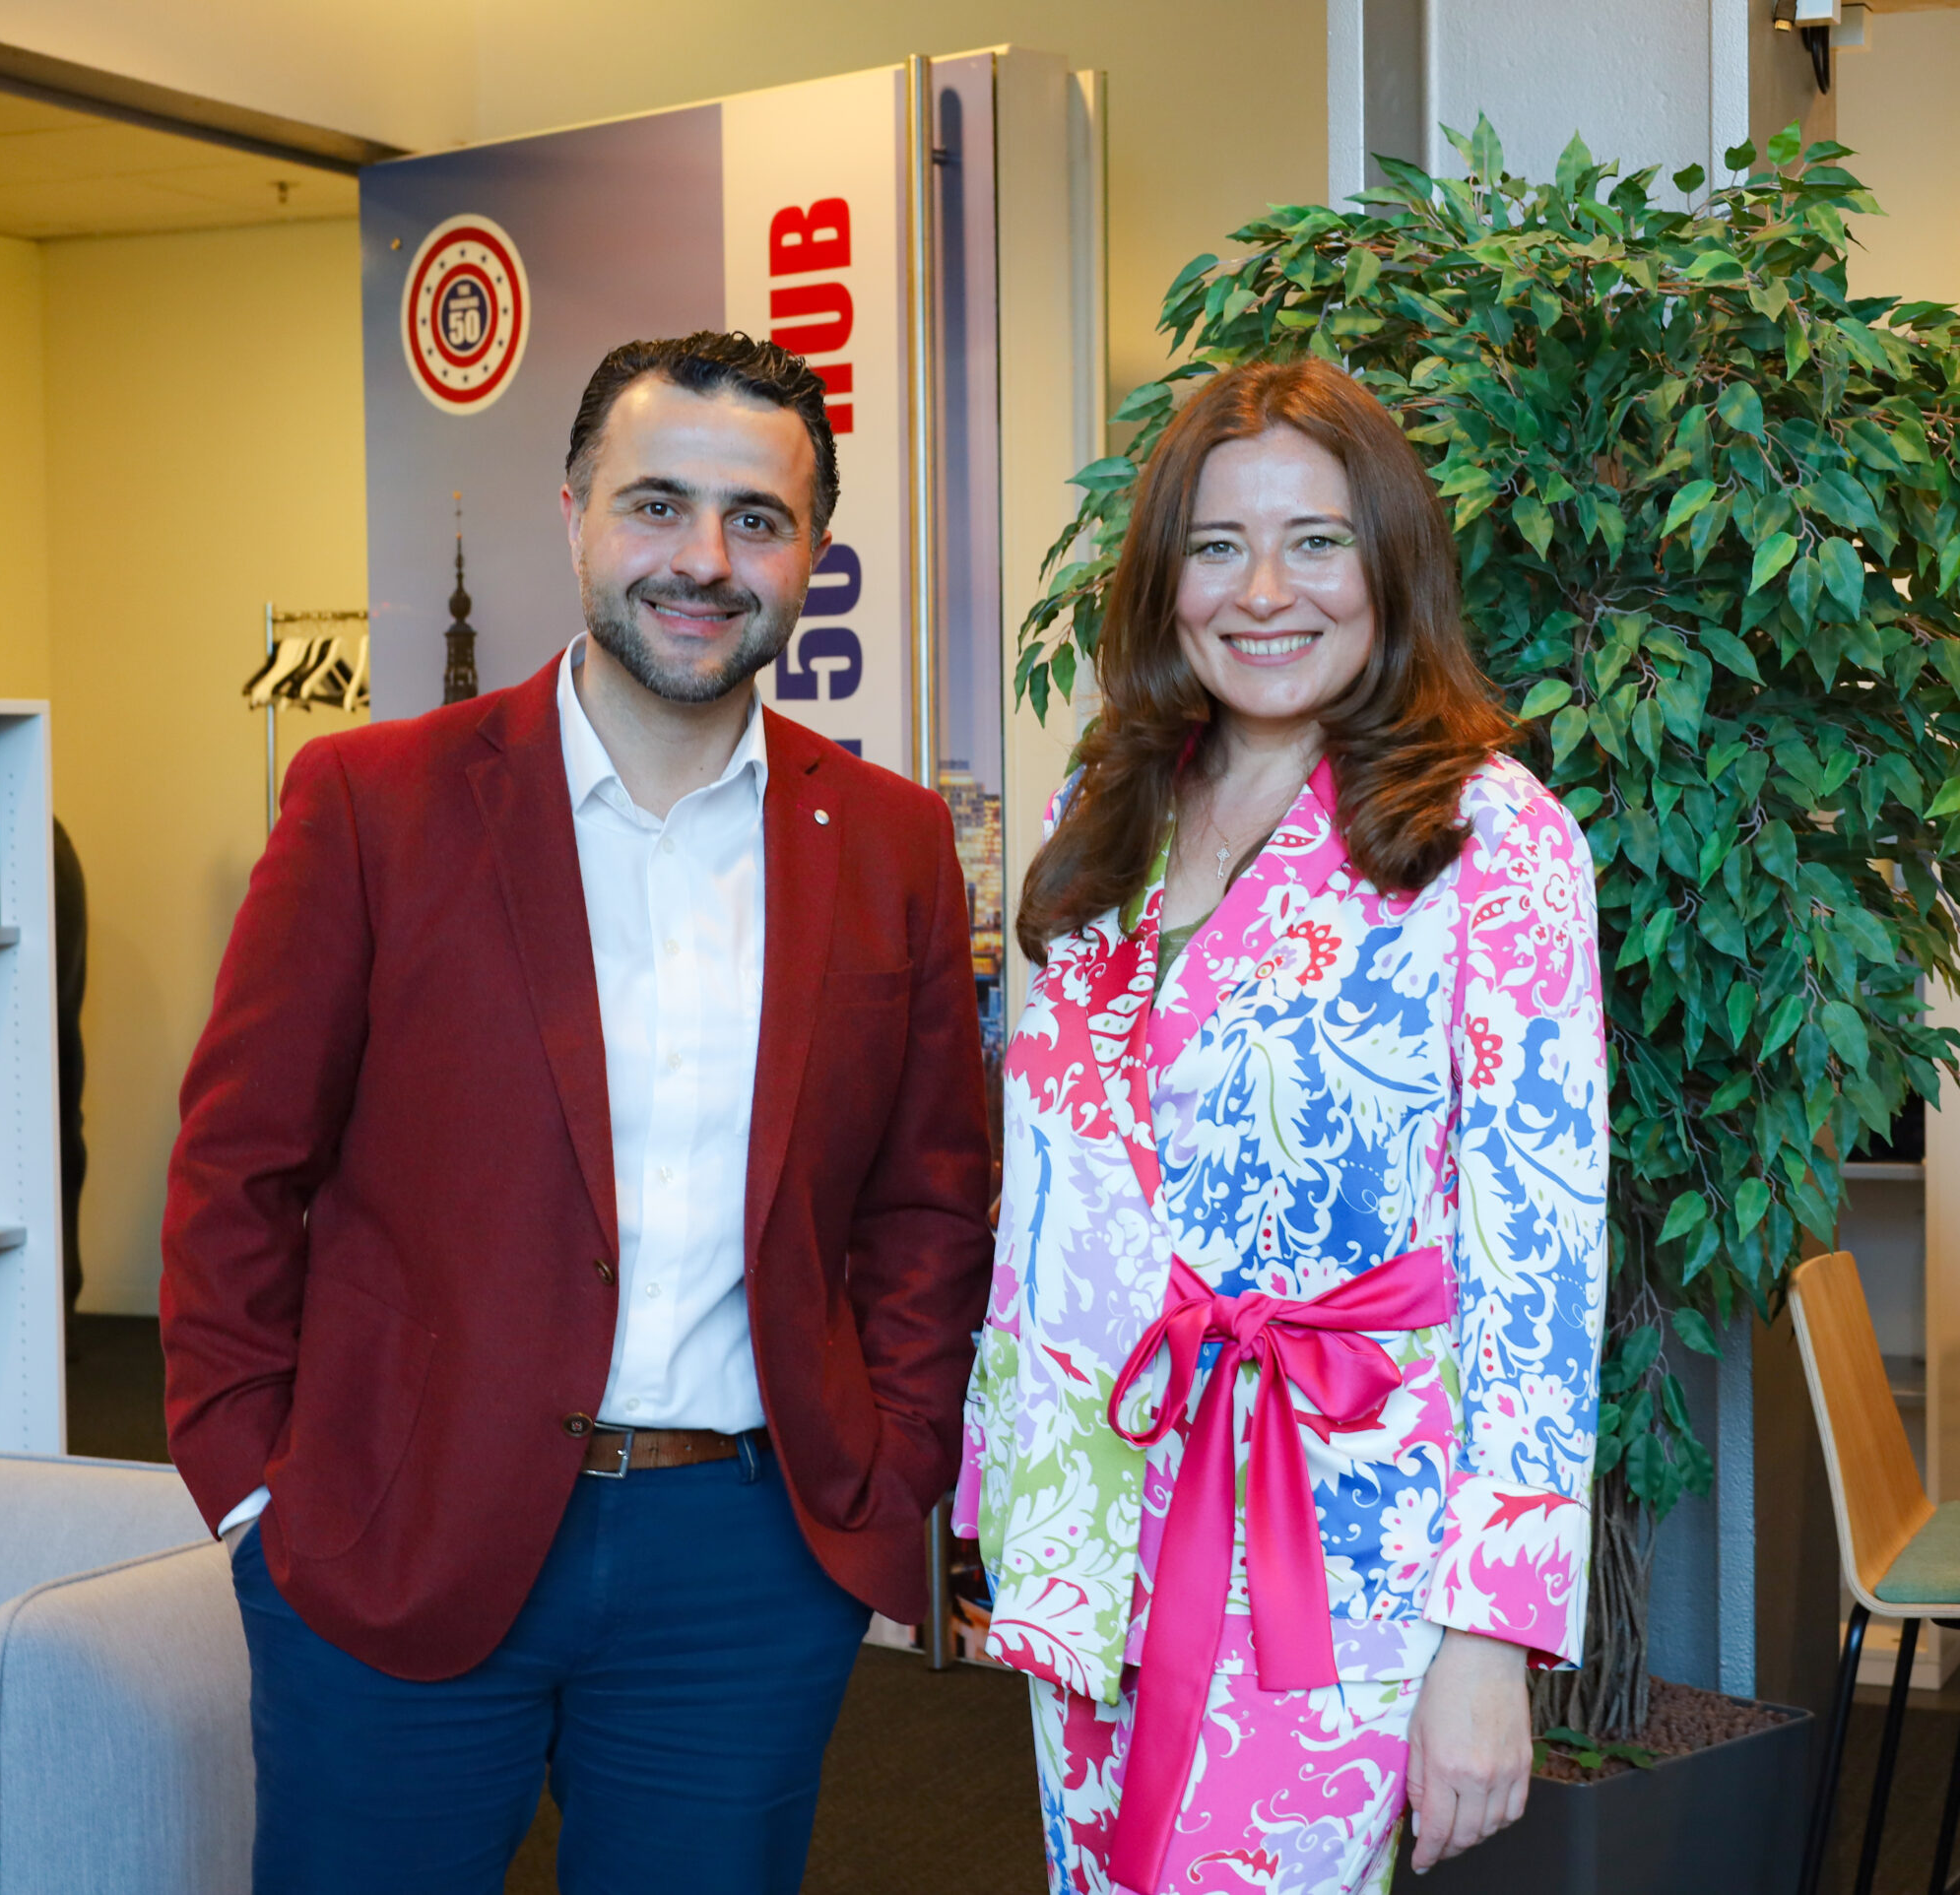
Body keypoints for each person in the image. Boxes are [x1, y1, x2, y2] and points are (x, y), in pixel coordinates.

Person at [162, 331, 993, 1895]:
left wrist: (888, 1479)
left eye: (757, 518)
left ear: (814, 553)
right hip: (394, 1524)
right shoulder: (374, 803)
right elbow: (238, 1164)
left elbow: (929, 1202)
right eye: (656, 504)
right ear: (573, 518)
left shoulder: (889, 842)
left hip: (745, 1563)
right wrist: (256, 1488)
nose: (704, 560)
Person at [958, 357, 1606, 1894]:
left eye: (1316, 541)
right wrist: (1004, 1495)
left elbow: (1541, 1262)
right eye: (1217, 545)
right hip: (1094, 1509)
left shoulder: (1491, 837)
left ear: (1391, 563)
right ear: (1162, 578)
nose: (1264, 592)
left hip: (1344, 1543)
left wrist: (1491, 1636)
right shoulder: (1100, 811)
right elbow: (1048, 1196)